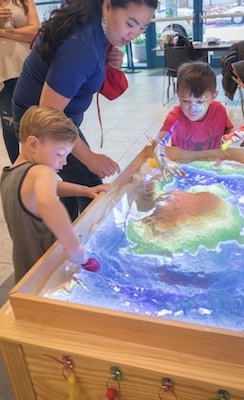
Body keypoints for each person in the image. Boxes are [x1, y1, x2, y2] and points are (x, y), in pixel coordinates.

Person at [12, 0, 158, 220]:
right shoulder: (81, 48)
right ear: (107, 6)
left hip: (57, 121)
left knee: (71, 182)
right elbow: (49, 115)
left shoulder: (93, 22)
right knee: (91, 187)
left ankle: (64, 239)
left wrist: (106, 60)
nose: (134, 35)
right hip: (43, 126)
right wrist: (89, 157)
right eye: (130, 23)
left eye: (142, 28)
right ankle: (69, 245)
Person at [0, 105, 110, 283]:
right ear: (33, 144)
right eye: (60, 153)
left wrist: (85, 190)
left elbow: (51, 188)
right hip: (46, 270)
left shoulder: (11, 173)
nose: (64, 161)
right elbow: (48, 201)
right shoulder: (43, 172)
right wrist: (74, 247)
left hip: (25, 269)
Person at [153, 61, 244, 178]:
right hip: (184, 167)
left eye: (200, 102)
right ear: (178, 95)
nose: (192, 109)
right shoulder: (175, 117)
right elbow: (158, 142)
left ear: (213, 97)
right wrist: (164, 161)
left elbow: (228, 130)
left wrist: (232, 136)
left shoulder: (219, 110)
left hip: (213, 165)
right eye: (186, 101)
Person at [0, 0, 39, 162]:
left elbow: (35, 31)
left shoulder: (24, 1)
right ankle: (18, 169)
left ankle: (39, 165)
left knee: (34, 121)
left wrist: (2, 32)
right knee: (10, 124)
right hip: (3, 73)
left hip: (27, 69)